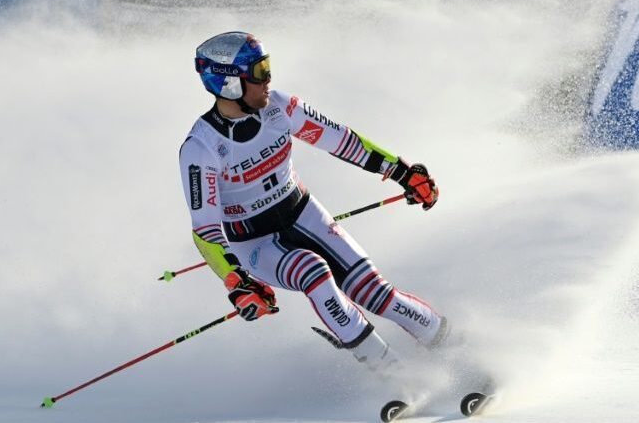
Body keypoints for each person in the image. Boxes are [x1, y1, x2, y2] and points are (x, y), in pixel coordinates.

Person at [179, 31, 447, 373]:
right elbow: (205, 231)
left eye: (268, 67)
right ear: (229, 83)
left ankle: (454, 344)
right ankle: (396, 375)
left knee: (375, 292)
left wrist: (402, 172)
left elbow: (343, 142)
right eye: (259, 72)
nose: (268, 79)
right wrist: (237, 281)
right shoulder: (200, 148)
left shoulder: (279, 108)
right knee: (313, 272)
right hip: (255, 242)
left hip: (303, 213)